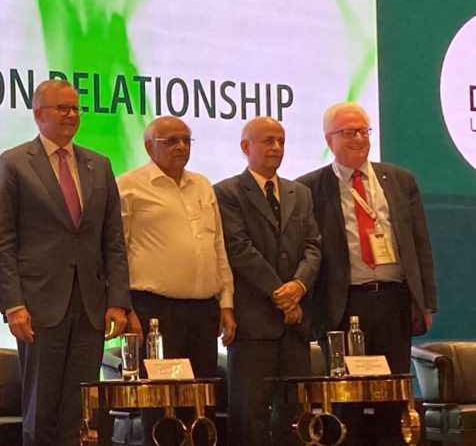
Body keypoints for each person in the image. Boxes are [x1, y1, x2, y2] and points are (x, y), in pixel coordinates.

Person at [0, 79, 129, 446]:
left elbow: (112, 239)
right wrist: (13, 304)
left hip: (90, 306)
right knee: (42, 407)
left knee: (80, 409)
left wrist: (117, 300)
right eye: (62, 108)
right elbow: (2, 240)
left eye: (75, 108)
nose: (71, 115)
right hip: (38, 305)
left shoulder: (98, 165)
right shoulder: (15, 162)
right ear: (38, 114)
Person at [298, 102, 437, 445]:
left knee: (392, 394)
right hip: (343, 306)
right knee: (348, 400)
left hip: (393, 300)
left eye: (364, 131)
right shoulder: (309, 187)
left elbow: (421, 244)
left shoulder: (400, 180)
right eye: (349, 132)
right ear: (329, 139)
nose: (360, 138)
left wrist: (426, 302)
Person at [214, 117, 321, 446]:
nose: (277, 148)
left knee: (297, 415)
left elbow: (314, 246)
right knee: (251, 415)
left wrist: (299, 287)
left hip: (296, 325)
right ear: (246, 147)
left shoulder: (299, 192)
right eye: (268, 141)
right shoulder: (227, 192)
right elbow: (239, 249)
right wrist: (282, 295)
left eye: (282, 141)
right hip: (253, 323)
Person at [116, 116, 235, 379]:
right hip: (154, 310)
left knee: (202, 400)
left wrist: (226, 305)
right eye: (171, 141)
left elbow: (217, 248)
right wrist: (125, 309)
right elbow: (116, 253)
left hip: (204, 311)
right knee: (161, 400)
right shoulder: (129, 185)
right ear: (149, 148)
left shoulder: (202, 184)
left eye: (185, 140)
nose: (181, 147)